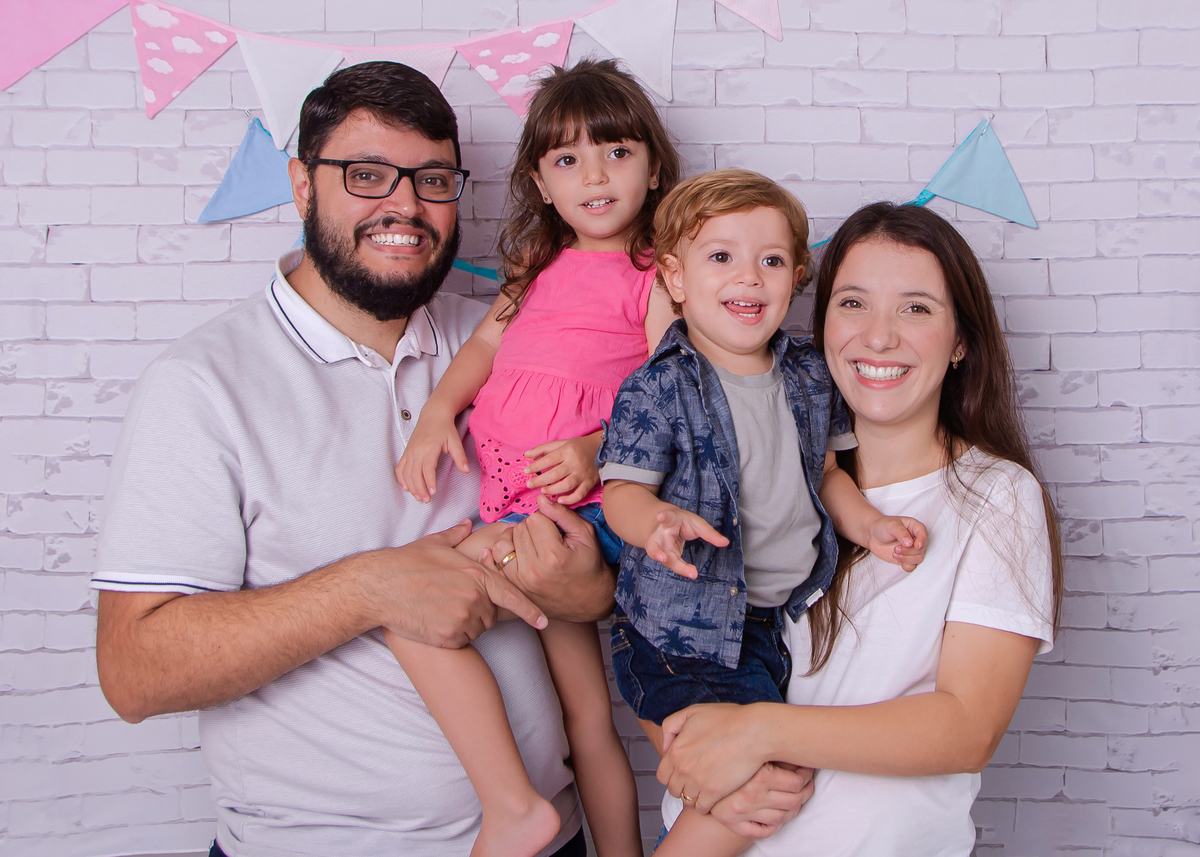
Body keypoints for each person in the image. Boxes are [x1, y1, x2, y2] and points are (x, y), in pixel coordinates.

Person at [91, 61, 619, 857]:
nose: (404, 205)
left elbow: (620, 504)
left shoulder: (515, 338)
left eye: (432, 179)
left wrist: (590, 590)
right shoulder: (203, 384)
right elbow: (135, 671)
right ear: (303, 186)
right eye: (367, 175)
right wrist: (369, 589)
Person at [651, 201, 1065, 856]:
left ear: (961, 340)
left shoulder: (997, 495)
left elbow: (966, 728)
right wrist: (717, 773)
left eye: (916, 308)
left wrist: (760, 733)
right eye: (853, 304)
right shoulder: (761, 468)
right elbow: (664, 637)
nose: (878, 337)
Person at [391, 58, 679, 857]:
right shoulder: (534, 271)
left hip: (575, 511)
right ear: (541, 184)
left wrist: (599, 450)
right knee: (584, 717)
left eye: (617, 152)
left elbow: (670, 394)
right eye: (568, 159)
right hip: (518, 506)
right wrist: (438, 413)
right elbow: (485, 348)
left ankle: (513, 806)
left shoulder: (655, 277)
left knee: (410, 609)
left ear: (654, 167)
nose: (596, 175)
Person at [595, 171, 929, 857]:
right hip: (682, 631)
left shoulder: (809, 374)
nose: (748, 276)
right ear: (675, 277)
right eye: (721, 256)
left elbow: (826, 475)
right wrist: (655, 523)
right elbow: (621, 492)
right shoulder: (658, 386)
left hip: (774, 622)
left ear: (797, 277)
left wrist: (869, 525)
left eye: (770, 260)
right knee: (761, 780)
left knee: (742, 779)